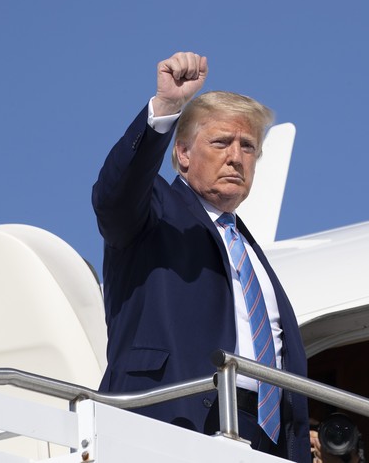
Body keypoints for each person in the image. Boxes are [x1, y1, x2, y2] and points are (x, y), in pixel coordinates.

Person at [92, 51, 310, 461]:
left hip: (264, 438)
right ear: (184, 153)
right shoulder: (154, 210)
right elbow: (114, 194)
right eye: (221, 142)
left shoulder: (247, 248)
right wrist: (168, 107)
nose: (236, 156)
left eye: (248, 146)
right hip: (172, 418)